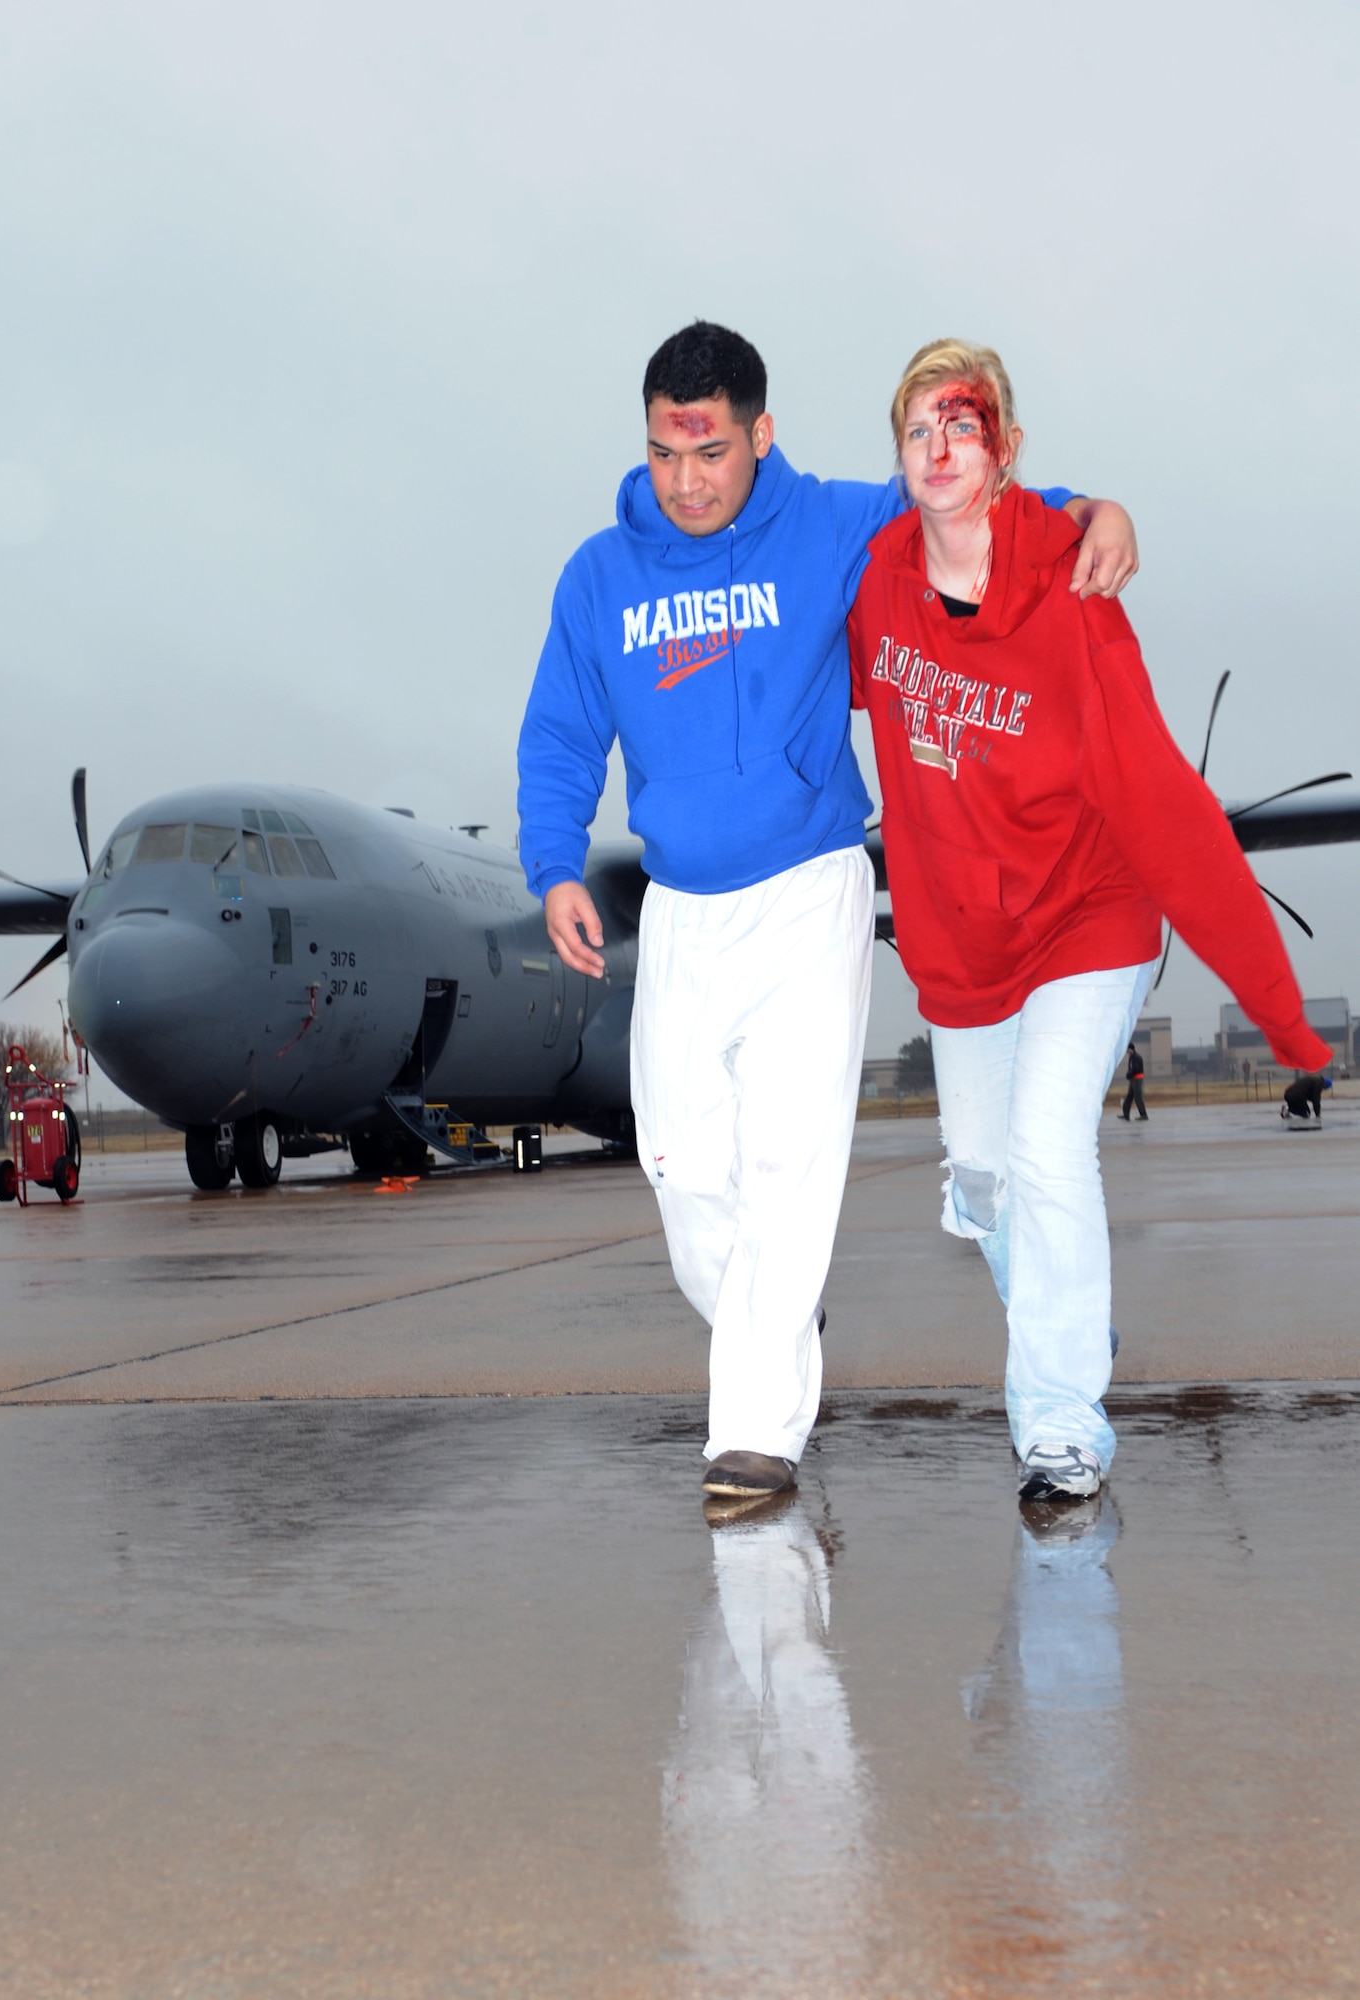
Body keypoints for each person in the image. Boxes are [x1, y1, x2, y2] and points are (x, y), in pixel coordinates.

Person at [517, 321, 1138, 1502]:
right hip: (685, 910)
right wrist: (553, 864)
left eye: (709, 453)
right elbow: (558, 733)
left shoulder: (835, 527)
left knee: (789, 1161)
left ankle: (753, 1436)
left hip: (809, 888)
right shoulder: (599, 576)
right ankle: (777, 1317)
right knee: (685, 1170)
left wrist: (1095, 508)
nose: (687, 482)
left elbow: (969, 506)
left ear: (761, 434)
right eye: (663, 455)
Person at [848, 338, 1332, 1505]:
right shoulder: (872, 584)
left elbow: (1163, 795)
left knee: (1050, 1146)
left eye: (963, 426)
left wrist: (1280, 1008)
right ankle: (1072, 1325)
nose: (940, 448)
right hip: (964, 940)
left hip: (1089, 911)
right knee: (981, 1170)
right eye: (919, 430)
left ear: (1006, 449)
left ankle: (1062, 1423)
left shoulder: (1074, 589)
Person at [1119, 1041, 1147, 1121]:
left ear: (1131, 1049)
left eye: (1127, 1049)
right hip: (1133, 1079)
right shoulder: (1132, 1057)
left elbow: (1136, 1069)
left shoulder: (1136, 1057)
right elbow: (1132, 1068)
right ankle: (1126, 1114)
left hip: (1137, 1079)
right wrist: (1129, 1074)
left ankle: (1143, 1114)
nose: (1126, 1051)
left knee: (1138, 1098)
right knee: (1129, 1097)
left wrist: (1129, 1074)